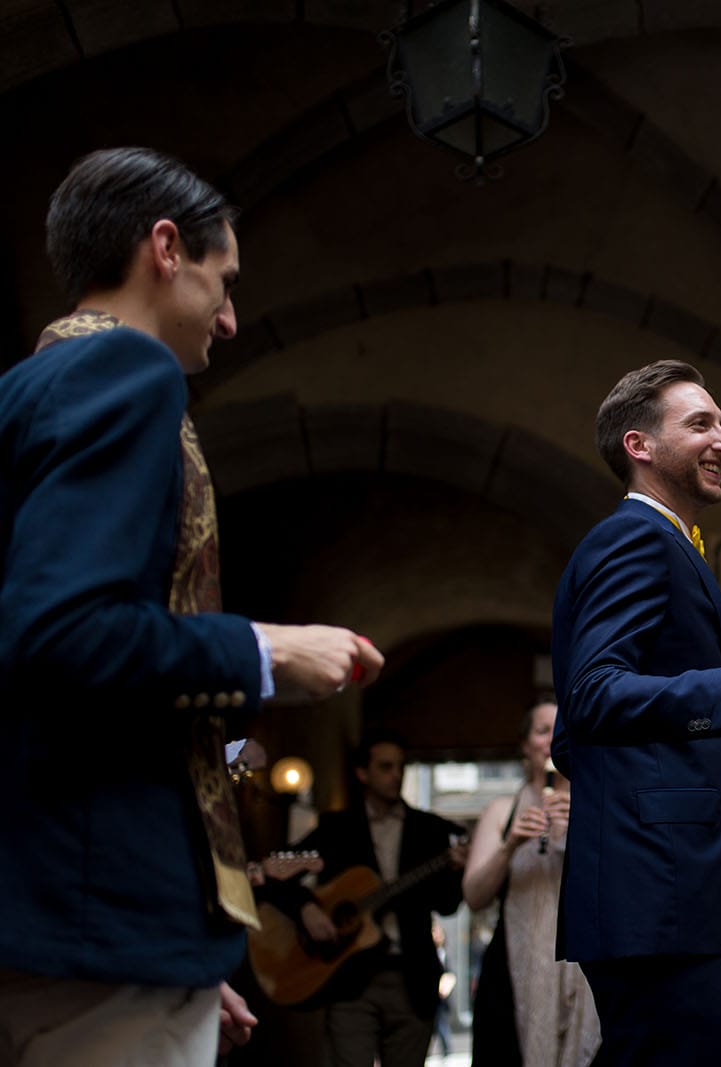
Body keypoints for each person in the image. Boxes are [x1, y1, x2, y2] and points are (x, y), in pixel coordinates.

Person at [0, 147, 383, 1066]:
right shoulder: (127, 374)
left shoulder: (22, 391)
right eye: (224, 278)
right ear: (166, 248)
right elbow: (60, 635)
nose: (232, 315)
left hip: (53, 913)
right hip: (96, 918)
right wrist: (265, 650)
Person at [551, 359, 721, 1066]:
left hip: (686, 897)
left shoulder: (669, 541)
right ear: (639, 445)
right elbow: (590, 698)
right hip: (658, 899)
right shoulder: (635, 537)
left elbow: (577, 735)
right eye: (701, 423)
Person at [283, 729, 467, 1067]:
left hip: (412, 979)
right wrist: (306, 907)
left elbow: (448, 905)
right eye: (385, 767)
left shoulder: (432, 830)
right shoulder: (336, 828)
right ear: (362, 772)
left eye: (400, 767)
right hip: (349, 977)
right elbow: (276, 873)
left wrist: (456, 872)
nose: (396, 775)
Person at [462, 699, 599, 1067]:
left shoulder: (597, 804)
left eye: (561, 728)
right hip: (511, 966)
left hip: (589, 960)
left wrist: (582, 834)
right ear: (525, 745)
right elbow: (474, 897)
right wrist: (509, 847)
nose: (552, 738)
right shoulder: (501, 810)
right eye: (542, 731)